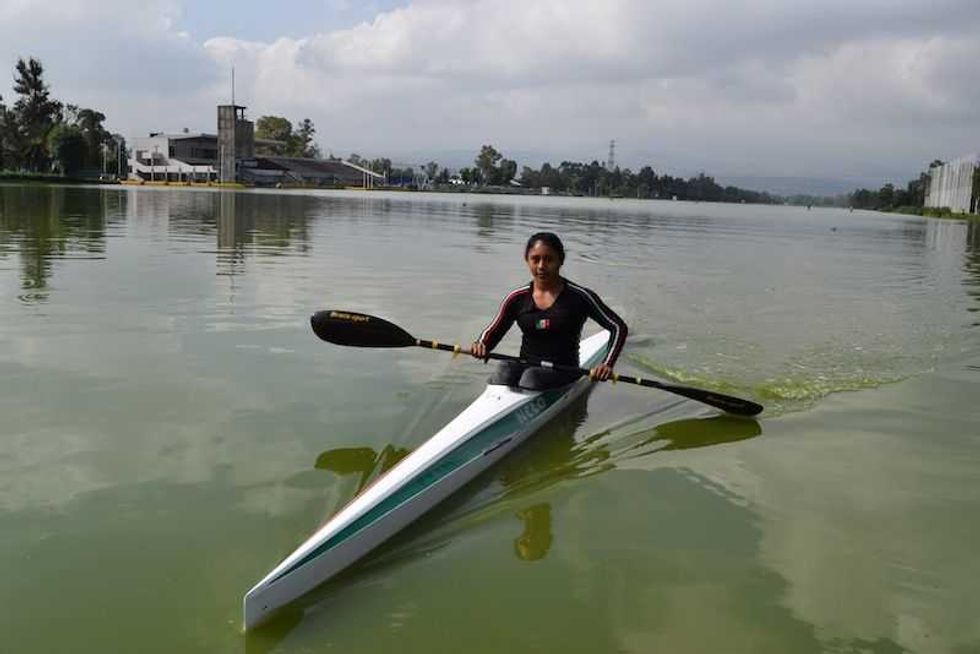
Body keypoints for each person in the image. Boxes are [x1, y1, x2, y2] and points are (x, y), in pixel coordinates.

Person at [470, 232, 628, 390]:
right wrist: (481, 345)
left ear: (561, 260)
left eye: (549, 259)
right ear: (527, 260)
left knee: (531, 378)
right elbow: (493, 332)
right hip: (527, 365)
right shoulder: (516, 298)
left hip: (565, 371)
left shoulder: (580, 297)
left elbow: (618, 327)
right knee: (504, 369)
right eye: (535, 259)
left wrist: (607, 364)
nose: (541, 266)